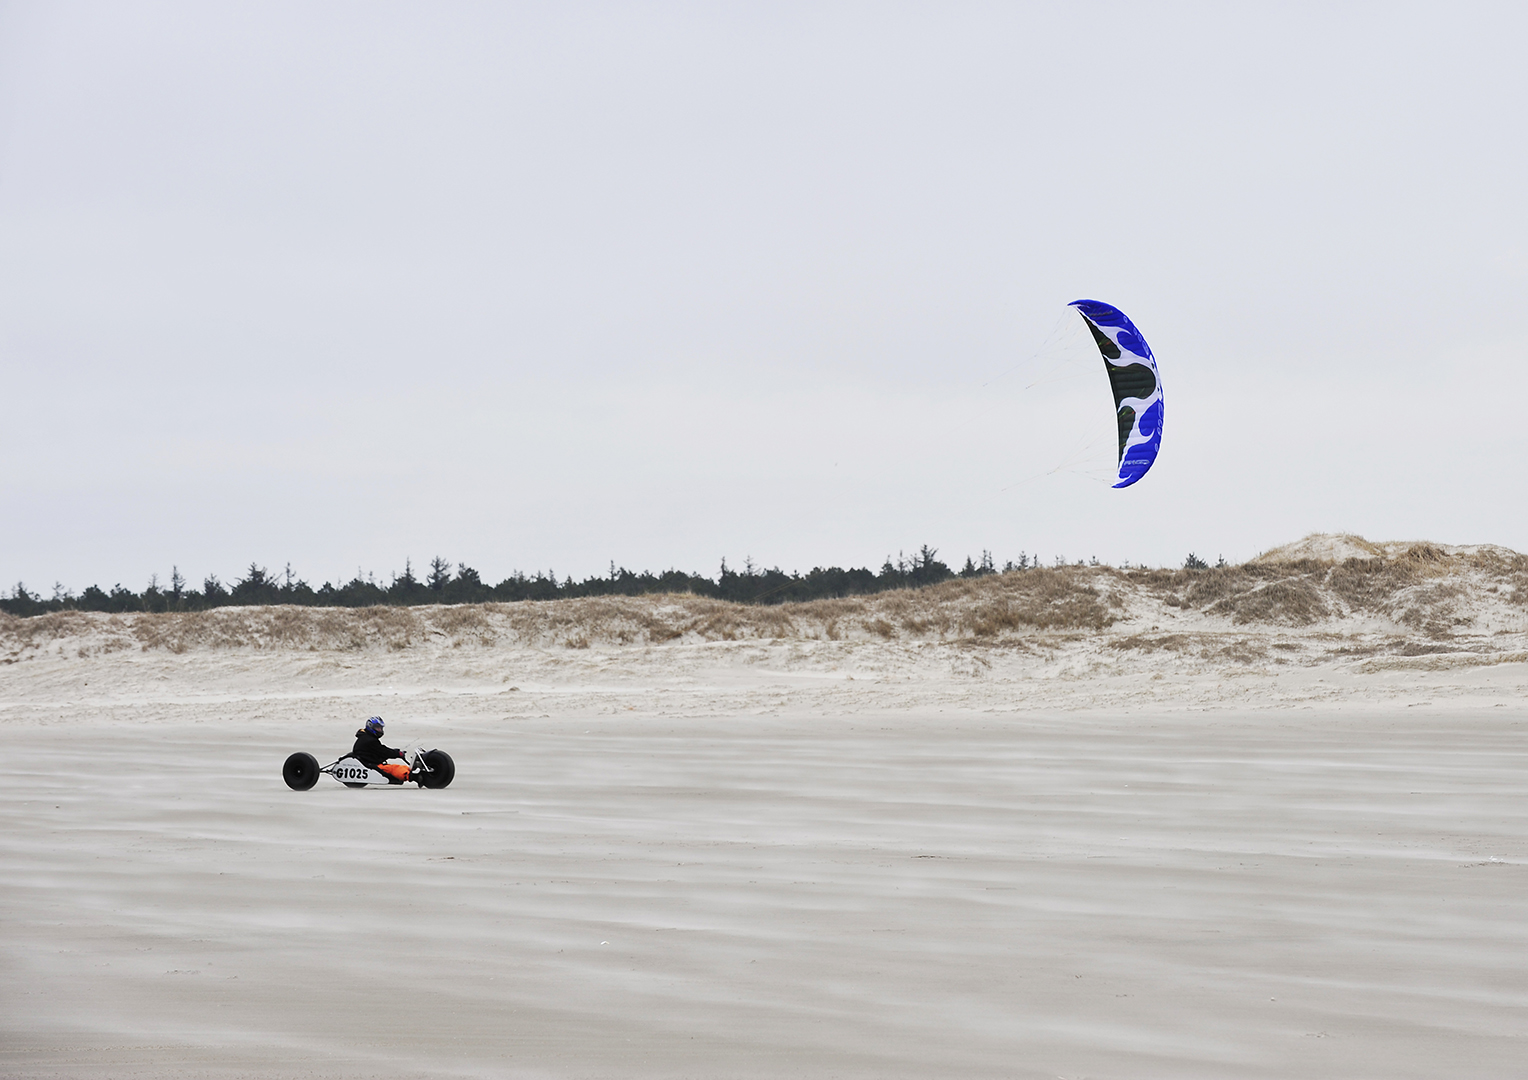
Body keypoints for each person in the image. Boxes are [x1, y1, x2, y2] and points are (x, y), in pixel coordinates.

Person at [352, 716, 410, 783]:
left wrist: (395, 752)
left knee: (403, 767)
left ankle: (411, 772)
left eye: (380, 728)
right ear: (371, 727)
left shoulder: (365, 737)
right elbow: (384, 751)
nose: (380, 730)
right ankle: (410, 776)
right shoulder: (370, 740)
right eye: (378, 728)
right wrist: (397, 753)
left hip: (369, 761)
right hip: (370, 764)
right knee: (394, 769)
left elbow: (380, 750)